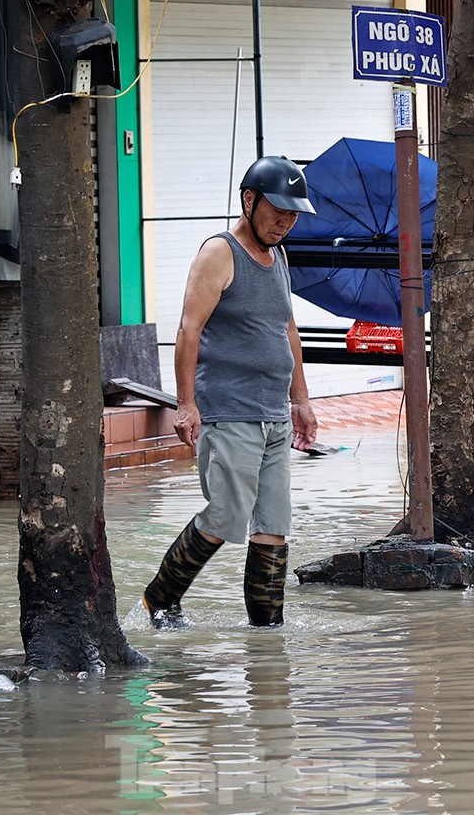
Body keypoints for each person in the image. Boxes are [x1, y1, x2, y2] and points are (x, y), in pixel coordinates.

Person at [142, 155, 319, 629]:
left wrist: (300, 400)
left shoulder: (278, 254)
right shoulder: (219, 253)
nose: (285, 222)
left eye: (293, 213)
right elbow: (188, 329)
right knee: (224, 517)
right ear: (249, 200)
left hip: (275, 418)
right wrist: (185, 403)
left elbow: (287, 328)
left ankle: (267, 635)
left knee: (273, 528)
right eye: (277, 210)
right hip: (229, 412)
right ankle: (158, 601)